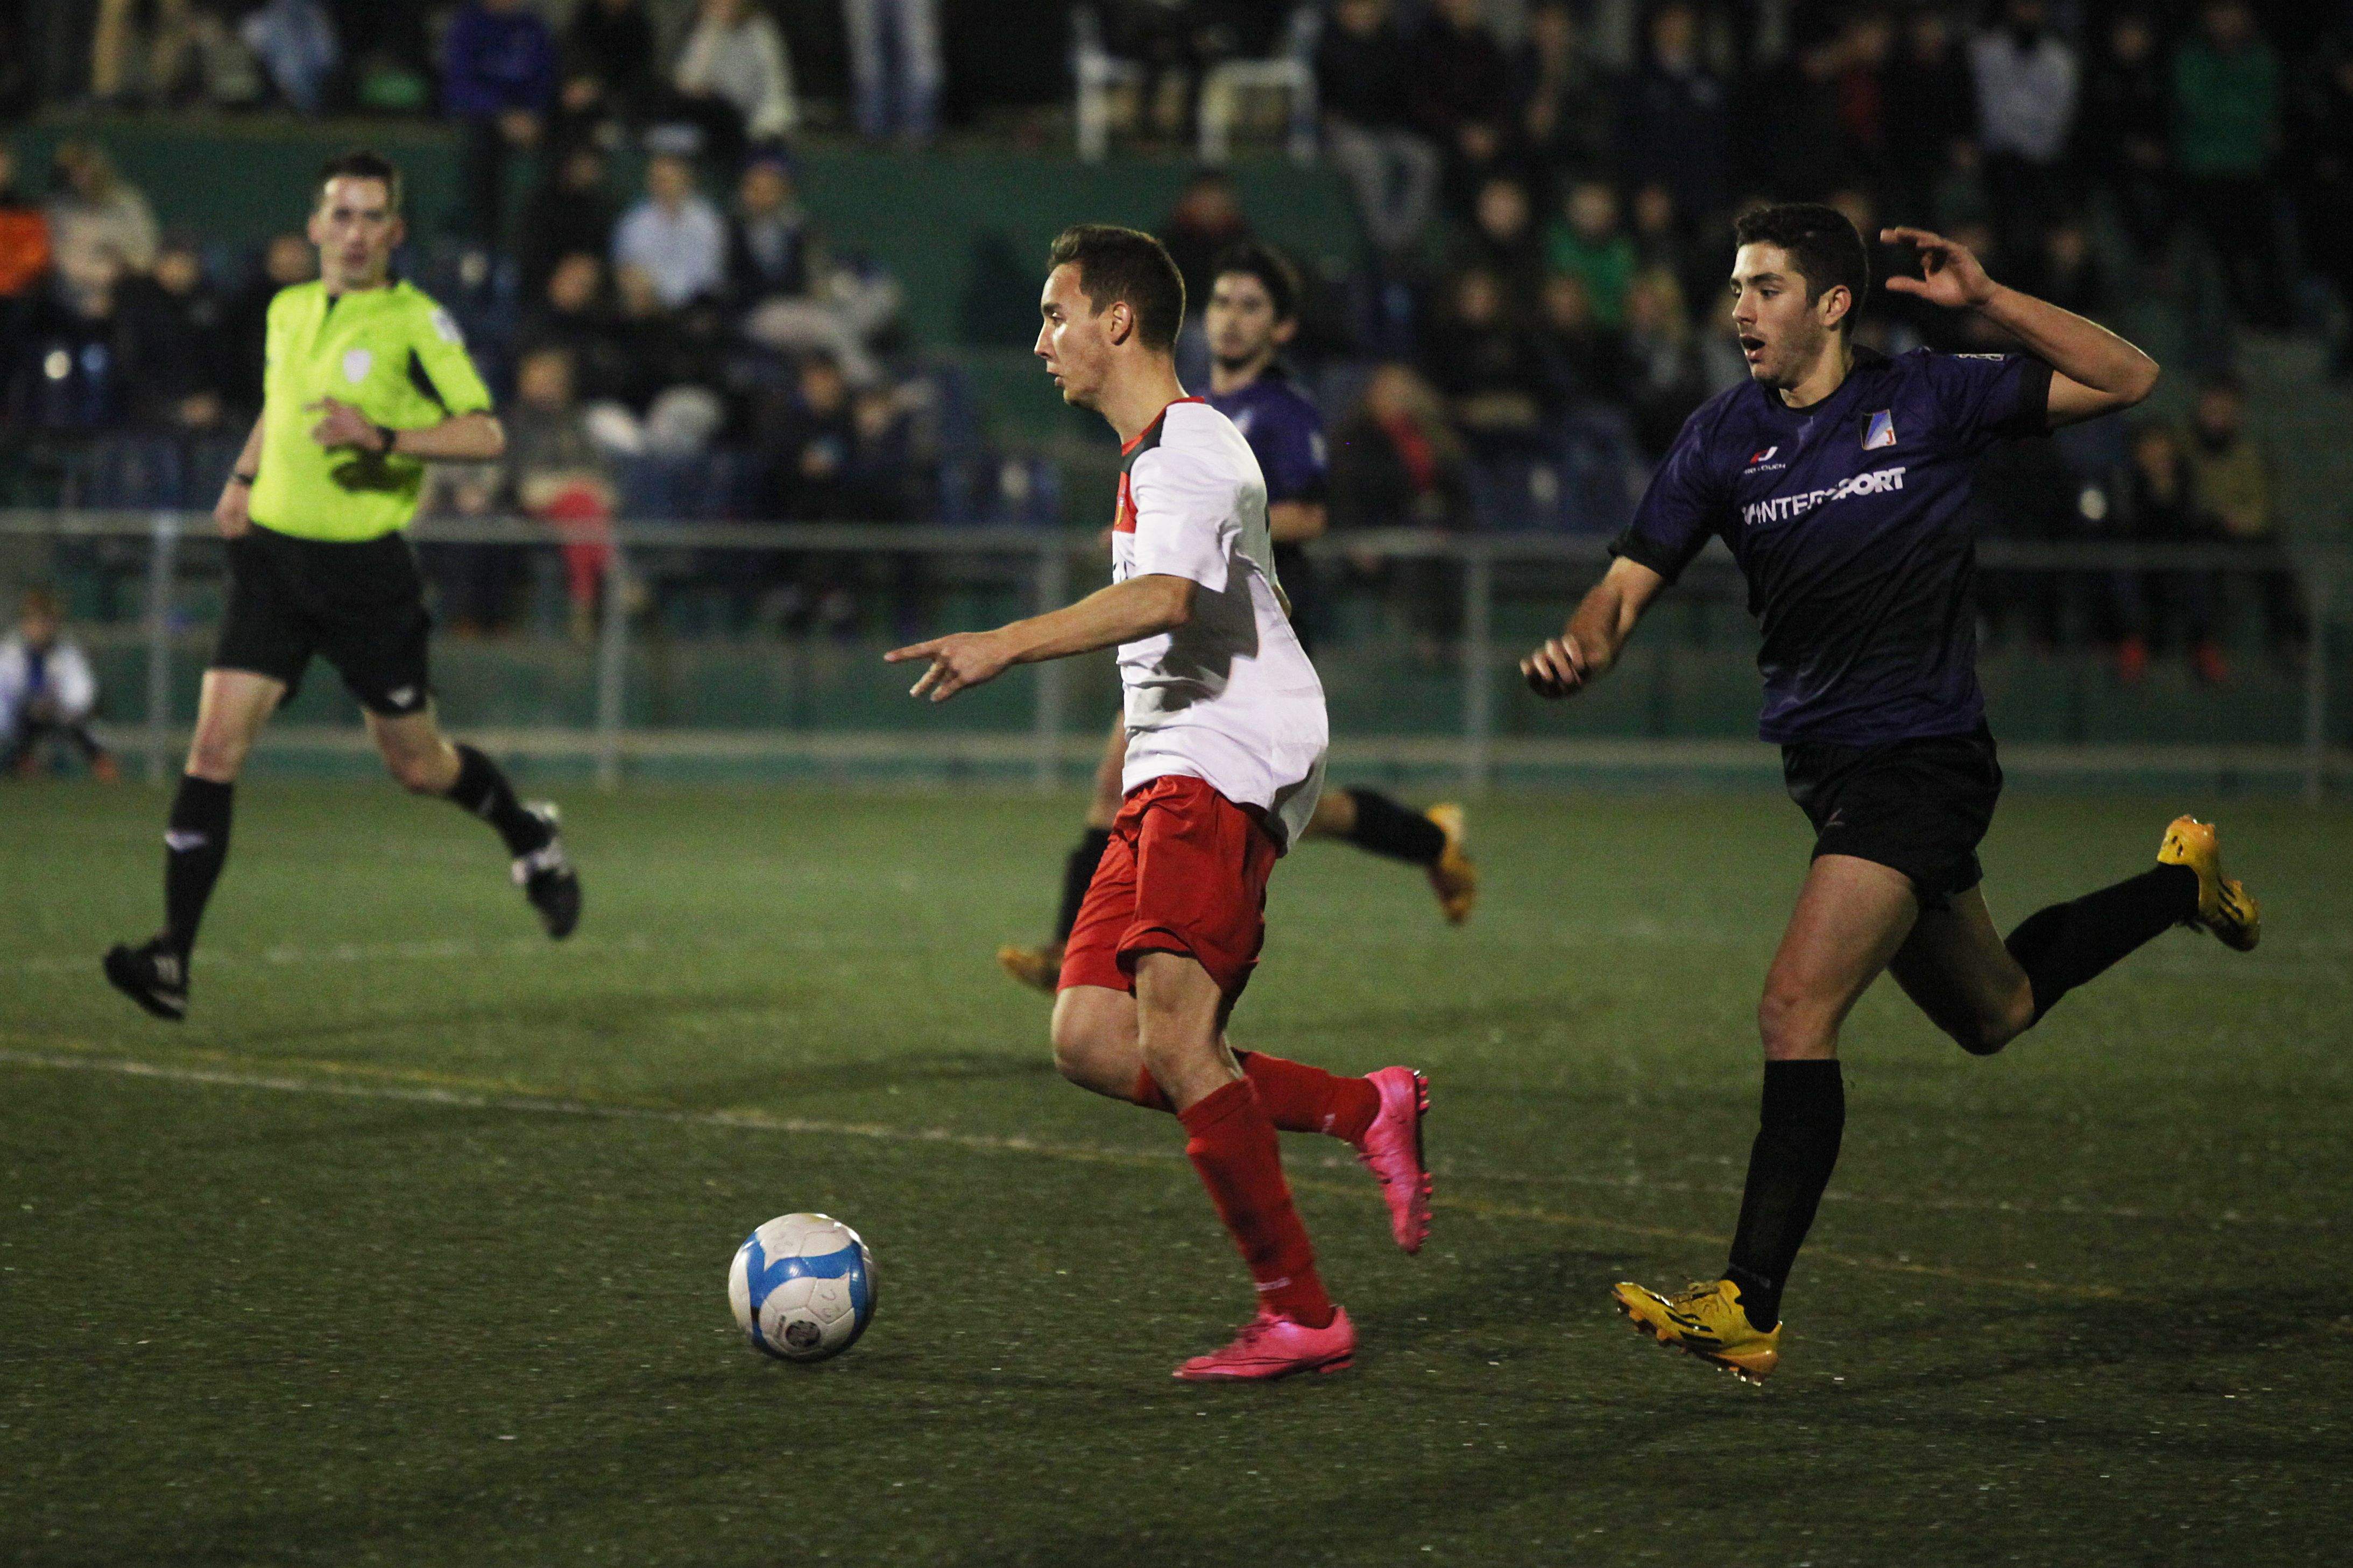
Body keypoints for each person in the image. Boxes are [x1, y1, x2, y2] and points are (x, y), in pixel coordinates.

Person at [1518, 204, 2258, 1383]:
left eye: (1762, 287)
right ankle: (2177, 881)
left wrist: (1989, 301)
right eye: (1732, 287)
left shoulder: (1926, 395)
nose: (1736, 309)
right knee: (1995, 1011)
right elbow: (1622, 581)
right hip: (1828, 774)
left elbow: (2126, 375)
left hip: (1918, 757)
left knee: (1790, 1009)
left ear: (1828, 303)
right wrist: (1584, 645)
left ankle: (1745, 1301)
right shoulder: (1719, 437)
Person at [886, 224, 1432, 1381]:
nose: (1041, 341)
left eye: (1054, 314)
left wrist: (1004, 642)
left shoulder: (1187, 445)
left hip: (1220, 759)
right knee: (1091, 1035)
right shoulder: (1155, 452)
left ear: (1115, 320)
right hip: (1170, 763)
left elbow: (1167, 599)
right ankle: (1361, 1103)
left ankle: (1299, 1311)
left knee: (1179, 1035)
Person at [102, 152, 582, 1024]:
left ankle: (527, 833)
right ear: (317, 224)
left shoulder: (416, 323)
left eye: (372, 218)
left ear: (394, 233)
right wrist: (244, 479)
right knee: (212, 750)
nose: (355, 232)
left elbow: (483, 435)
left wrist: (385, 436)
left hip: (365, 576)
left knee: (418, 766)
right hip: (273, 566)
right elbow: (280, 409)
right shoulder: (287, 311)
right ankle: (171, 956)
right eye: (341, 214)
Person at [996, 243, 1478, 995]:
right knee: (1133, 787)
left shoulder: (1281, 412)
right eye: (1221, 301)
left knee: (1255, 808)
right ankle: (1075, 952)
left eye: (1251, 305)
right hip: (1187, 630)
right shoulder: (1185, 405)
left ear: (1281, 329)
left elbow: (1307, 513)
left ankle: (1424, 839)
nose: (1230, 318)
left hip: (1247, 630)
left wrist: (1199, 533)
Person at [1, 588, 115, 779]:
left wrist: (57, 706)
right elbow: (5, 694)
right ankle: (21, 768)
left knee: (84, 730)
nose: (41, 628)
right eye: (35, 621)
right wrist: (30, 705)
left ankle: (105, 771)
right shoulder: (10, 652)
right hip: (20, 719)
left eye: (46, 621)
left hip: (61, 716)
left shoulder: (67, 653)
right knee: (22, 728)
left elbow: (82, 694)